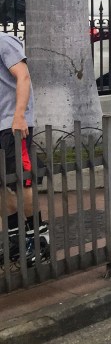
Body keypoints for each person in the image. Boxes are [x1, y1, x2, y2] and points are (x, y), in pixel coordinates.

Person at [0, 31, 46, 266]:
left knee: (21, 182)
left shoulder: (3, 41)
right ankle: (14, 240)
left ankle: (39, 238)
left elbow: (24, 77)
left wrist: (19, 117)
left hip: (12, 125)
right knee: (3, 184)